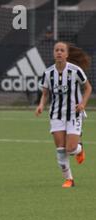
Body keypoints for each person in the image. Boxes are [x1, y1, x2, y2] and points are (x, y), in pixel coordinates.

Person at [35, 42, 92, 187]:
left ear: (67, 54)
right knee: (61, 151)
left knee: (70, 149)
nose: (59, 52)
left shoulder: (75, 70)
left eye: (62, 50)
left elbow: (88, 88)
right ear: (54, 53)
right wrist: (41, 104)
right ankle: (69, 179)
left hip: (74, 113)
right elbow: (45, 93)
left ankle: (79, 149)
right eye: (56, 50)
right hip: (56, 115)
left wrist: (83, 104)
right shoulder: (48, 73)